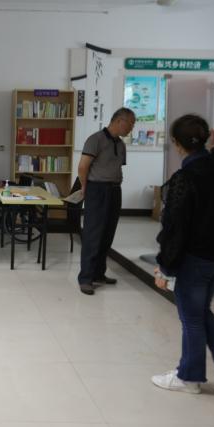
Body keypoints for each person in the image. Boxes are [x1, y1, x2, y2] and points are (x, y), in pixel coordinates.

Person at [152, 114, 214, 395]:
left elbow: (175, 227)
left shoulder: (185, 178)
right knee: (201, 312)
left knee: (192, 319)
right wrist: (213, 146)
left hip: (195, 258)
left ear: (176, 143)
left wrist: (165, 267)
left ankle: (190, 378)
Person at [76, 107, 135, 295]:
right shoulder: (95, 140)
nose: (131, 128)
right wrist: (85, 187)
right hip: (97, 189)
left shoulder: (121, 145)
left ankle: (99, 274)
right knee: (93, 234)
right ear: (119, 121)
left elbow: (116, 167)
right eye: (130, 124)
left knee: (108, 234)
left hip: (115, 190)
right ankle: (86, 278)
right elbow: (83, 167)